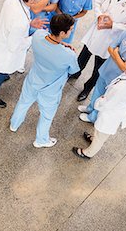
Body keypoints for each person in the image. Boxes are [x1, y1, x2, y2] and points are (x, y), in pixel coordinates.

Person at [10, 14, 80, 148]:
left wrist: (61, 43)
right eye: (70, 29)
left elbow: (47, 39)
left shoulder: (38, 35)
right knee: (46, 116)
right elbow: (73, 71)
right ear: (62, 33)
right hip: (50, 90)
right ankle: (41, 140)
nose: (71, 31)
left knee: (23, 103)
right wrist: (64, 47)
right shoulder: (68, 55)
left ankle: (14, 124)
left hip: (33, 79)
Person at [0, 0, 49, 108]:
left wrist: (30, 23)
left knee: (1, 70)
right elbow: (14, 46)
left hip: (3, 38)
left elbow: (20, 18)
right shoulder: (20, 23)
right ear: (30, 1)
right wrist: (33, 37)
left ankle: (0, 78)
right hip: (6, 51)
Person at [72, 53, 126, 159]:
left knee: (101, 136)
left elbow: (107, 103)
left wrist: (99, 102)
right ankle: (93, 139)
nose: (125, 60)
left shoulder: (121, 87)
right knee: (98, 133)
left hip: (110, 114)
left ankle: (87, 153)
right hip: (117, 107)